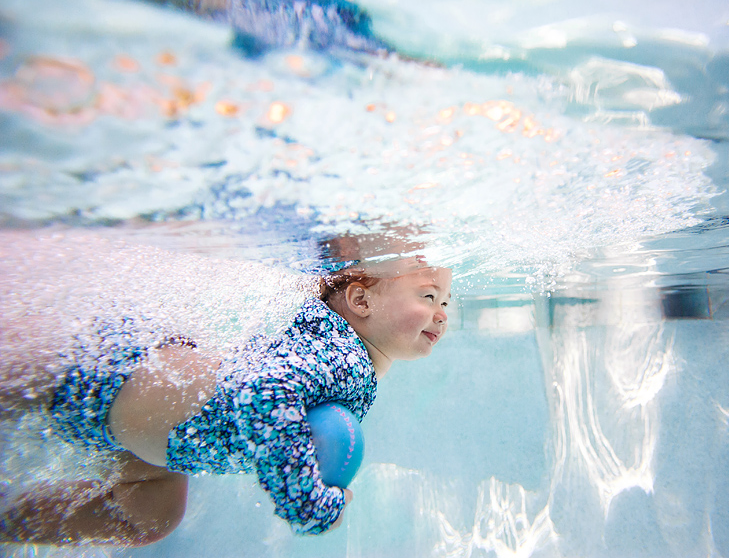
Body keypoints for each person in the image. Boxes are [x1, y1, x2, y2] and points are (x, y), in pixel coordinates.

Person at [0, 228, 451, 546]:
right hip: (110, 375)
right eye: (428, 297)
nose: (442, 312)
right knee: (17, 376)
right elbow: (265, 396)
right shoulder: (344, 358)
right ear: (361, 299)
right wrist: (305, 500)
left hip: (142, 420)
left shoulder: (342, 353)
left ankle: (8, 520)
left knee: (153, 516)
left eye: (446, 301)